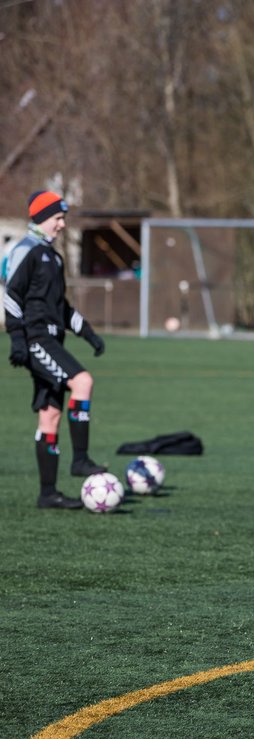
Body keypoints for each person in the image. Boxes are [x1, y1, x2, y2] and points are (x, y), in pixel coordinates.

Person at [4, 190, 108, 509]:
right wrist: (18, 339)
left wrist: (87, 333)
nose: (62, 224)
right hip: (37, 339)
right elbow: (11, 295)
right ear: (41, 218)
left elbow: (60, 308)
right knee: (83, 382)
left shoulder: (54, 257)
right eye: (58, 218)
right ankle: (80, 460)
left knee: (50, 417)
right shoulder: (27, 250)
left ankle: (47, 493)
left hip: (53, 337)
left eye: (63, 218)